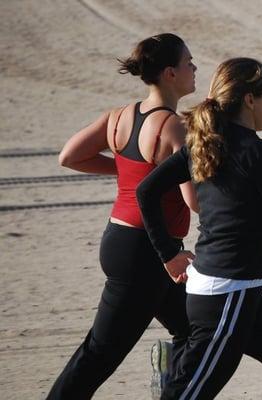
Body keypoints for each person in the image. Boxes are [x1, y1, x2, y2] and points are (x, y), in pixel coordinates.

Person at [137, 57, 262, 400]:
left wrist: (169, 254)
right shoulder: (260, 153)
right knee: (187, 394)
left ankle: (175, 367)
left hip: (241, 294)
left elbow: (147, 190)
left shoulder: (205, 143)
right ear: (249, 99)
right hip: (228, 294)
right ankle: (174, 372)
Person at [46, 33, 197, 400]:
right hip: (146, 253)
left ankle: (169, 383)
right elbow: (195, 203)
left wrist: (127, 173)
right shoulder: (174, 127)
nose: (194, 68)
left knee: (196, 331)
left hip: (123, 240)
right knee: (100, 353)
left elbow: (70, 156)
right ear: (169, 74)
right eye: (188, 62)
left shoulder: (119, 117)